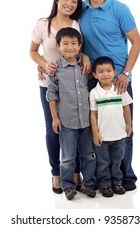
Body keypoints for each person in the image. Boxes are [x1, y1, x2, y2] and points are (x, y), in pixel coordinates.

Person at [78, 0, 140, 191]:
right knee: (95, 129)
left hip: (118, 79)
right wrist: (83, 54)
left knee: (124, 128)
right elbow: (74, 41)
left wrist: (126, 72)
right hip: (92, 79)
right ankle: (101, 179)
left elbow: (137, 43)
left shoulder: (119, 8)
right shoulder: (81, 10)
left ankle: (125, 177)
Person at [29, 0, 88, 194]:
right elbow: (33, 51)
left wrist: (86, 57)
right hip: (49, 84)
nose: (69, 4)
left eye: (74, 1)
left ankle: (75, 172)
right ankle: (56, 173)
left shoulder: (76, 24)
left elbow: (80, 49)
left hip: (74, 85)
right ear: (57, 0)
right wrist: (43, 64)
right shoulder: (42, 24)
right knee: (53, 130)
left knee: (78, 129)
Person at [46, 27, 96, 200]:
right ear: (58, 46)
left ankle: (89, 183)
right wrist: (55, 118)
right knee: (67, 157)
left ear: (79, 46)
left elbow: (92, 88)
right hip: (67, 120)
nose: (69, 47)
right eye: (65, 43)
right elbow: (51, 94)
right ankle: (68, 186)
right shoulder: (55, 69)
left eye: (74, 43)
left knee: (88, 154)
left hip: (86, 120)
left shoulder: (86, 67)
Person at [90, 56, 133, 197]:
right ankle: (104, 184)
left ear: (114, 71)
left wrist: (129, 123)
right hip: (103, 135)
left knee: (117, 160)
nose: (105, 74)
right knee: (103, 162)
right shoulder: (94, 93)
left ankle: (117, 182)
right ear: (95, 75)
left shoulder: (120, 89)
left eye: (109, 70)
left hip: (119, 134)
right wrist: (95, 133)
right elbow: (93, 114)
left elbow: (126, 107)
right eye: (101, 71)